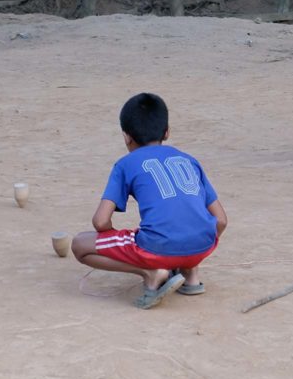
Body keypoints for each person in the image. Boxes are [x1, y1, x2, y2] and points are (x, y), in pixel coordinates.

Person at [72, 93, 228, 309]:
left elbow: (100, 222)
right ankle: (191, 274)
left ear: (126, 137)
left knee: (80, 245)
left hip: (157, 247)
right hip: (202, 246)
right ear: (167, 132)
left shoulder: (125, 165)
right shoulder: (189, 160)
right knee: (189, 227)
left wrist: (112, 235)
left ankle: (150, 272)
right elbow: (220, 221)